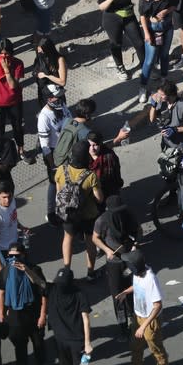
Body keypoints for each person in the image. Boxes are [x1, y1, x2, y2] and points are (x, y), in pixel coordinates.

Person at [113, 250, 175, 365]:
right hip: (138, 316)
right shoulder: (137, 274)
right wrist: (126, 292)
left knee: (157, 350)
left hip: (149, 321)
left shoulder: (150, 279)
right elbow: (138, 286)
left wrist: (144, 326)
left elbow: (158, 305)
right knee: (136, 346)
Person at [0, 241, 52, 365]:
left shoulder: (34, 269)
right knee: (20, 346)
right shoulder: (6, 271)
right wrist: (1, 314)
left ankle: (43, 364)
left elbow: (43, 290)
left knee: (38, 342)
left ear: (23, 255)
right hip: (14, 315)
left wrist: (42, 315)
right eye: (10, 256)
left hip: (33, 311)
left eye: (16, 256)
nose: (13, 259)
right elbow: (1, 293)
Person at [47, 267, 99, 365]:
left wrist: (88, 342)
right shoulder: (53, 289)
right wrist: (26, 270)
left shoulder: (79, 295)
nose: (60, 285)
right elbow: (38, 282)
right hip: (60, 341)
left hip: (78, 342)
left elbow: (85, 319)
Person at [92, 195, 140, 340]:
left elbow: (138, 231)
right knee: (117, 296)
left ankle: (135, 319)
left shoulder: (128, 215)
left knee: (132, 290)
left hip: (129, 259)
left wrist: (135, 245)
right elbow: (95, 238)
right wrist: (107, 251)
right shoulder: (102, 220)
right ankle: (122, 325)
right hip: (114, 264)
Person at [55, 140, 103, 280]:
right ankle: (90, 272)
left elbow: (58, 192)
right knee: (90, 241)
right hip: (88, 215)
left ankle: (66, 270)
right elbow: (99, 198)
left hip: (68, 213)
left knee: (68, 238)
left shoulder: (61, 170)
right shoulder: (90, 175)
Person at [35, 37, 69, 223]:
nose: (39, 53)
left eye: (41, 50)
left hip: (63, 147)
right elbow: (46, 144)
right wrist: (50, 161)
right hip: (55, 151)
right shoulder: (44, 116)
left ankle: (62, 207)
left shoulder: (59, 60)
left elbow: (62, 81)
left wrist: (47, 76)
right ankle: (52, 211)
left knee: (63, 180)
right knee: (53, 181)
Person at [97, 0, 145, 81]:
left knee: (139, 42)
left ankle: (146, 66)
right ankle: (120, 68)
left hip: (128, 15)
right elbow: (101, 7)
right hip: (111, 18)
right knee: (116, 44)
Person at [0, 39, 27, 162]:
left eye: (7, 53)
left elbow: (13, 85)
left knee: (18, 127)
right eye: (1, 53)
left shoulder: (18, 64)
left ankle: (21, 150)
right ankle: (1, 151)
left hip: (14, 102)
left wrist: (7, 70)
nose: (4, 56)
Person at [137, 0, 176, 104]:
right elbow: (142, 16)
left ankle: (163, 80)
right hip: (153, 31)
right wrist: (147, 34)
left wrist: (166, 11)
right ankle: (143, 86)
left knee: (165, 55)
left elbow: (173, 5)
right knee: (149, 60)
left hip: (167, 28)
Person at [0, 181, 26, 285]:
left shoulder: (12, 201)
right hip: (2, 250)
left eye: (9, 196)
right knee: (1, 275)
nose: (7, 200)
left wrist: (20, 227)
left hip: (12, 244)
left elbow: (12, 217)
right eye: (4, 197)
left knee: (11, 271)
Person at [148, 81, 183, 149]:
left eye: (162, 95)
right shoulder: (162, 102)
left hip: (180, 145)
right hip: (166, 142)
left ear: (170, 95)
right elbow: (152, 120)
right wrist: (153, 106)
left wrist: (175, 130)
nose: (159, 97)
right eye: (158, 93)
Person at [87, 131, 123, 200]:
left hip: (109, 190)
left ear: (100, 144)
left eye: (95, 145)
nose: (92, 148)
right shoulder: (85, 156)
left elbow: (116, 172)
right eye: (90, 145)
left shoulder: (110, 156)